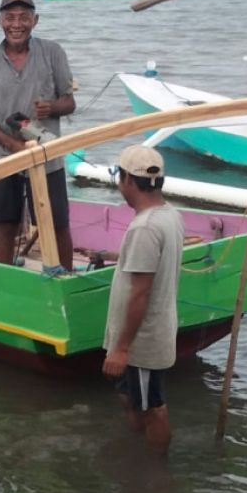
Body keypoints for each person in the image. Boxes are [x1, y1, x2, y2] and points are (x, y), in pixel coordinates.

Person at [0, 0, 76, 271]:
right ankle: (5, 281)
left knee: (55, 224)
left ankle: (64, 280)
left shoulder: (52, 52)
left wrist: (52, 108)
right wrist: (12, 145)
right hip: (3, 159)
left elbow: (70, 101)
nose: (17, 24)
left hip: (46, 155)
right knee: (5, 227)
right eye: (10, 18)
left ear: (35, 20)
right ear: (0, 21)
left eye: (24, 17)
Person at [101, 145, 184, 456]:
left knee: (153, 409)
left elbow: (141, 292)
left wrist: (121, 348)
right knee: (132, 399)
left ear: (128, 181)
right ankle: (137, 456)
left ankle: (155, 476)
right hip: (143, 335)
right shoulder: (168, 214)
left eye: (118, 177)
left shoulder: (145, 227)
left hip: (142, 342)